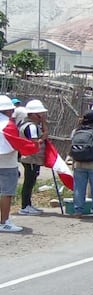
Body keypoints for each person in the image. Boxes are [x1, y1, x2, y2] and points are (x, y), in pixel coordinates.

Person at [0, 96, 39, 231]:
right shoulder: (8, 124)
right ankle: (4, 221)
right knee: (6, 193)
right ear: (9, 110)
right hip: (7, 164)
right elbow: (16, 143)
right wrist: (32, 146)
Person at [18, 100, 48, 216]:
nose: (43, 116)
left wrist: (44, 124)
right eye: (41, 113)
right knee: (29, 182)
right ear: (35, 114)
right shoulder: (31, 127)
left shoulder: (30, 125)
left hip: (32, 159)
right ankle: (25, 206)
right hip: (31, 158)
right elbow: (34, 143)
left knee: (31, 181)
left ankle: (28, 204)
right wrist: (43, 138)